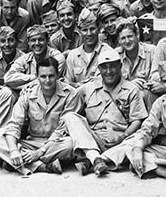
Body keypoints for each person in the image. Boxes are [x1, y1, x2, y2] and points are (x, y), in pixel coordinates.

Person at [62, 47, 148, 176]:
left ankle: (94, 160)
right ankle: (96, 158)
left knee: (136, 141)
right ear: (99, 69)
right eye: (104, 67)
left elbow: (137, 120)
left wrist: (123, 136)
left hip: (120, 139)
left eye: (112, 67)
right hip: (93, 139)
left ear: (120, 66)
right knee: (70, 117)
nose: (108, 72)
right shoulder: (87, 88)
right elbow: (69, 99)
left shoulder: (131, 90)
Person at [0, 57, 78, 175]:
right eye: (43, 76)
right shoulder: (28, 93)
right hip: (31, 143)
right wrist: (14, 150)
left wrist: (39, 153)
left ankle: (19, 163)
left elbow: (63, 129)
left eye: (51, 76)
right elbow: (14, 124)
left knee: (70, 144)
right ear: (37, 76)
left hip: (55, 144)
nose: (47, 80)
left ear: (57, 75)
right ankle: (42, 166)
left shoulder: (70, 94)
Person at [4, 25, 66, 94]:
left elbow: (49, 82)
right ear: (28, 42)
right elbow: (8, 78)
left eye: (40, 39)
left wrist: (25, 86)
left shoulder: (57, 57)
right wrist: (33, 77)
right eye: (33, 40)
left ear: (47, 40)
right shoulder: (25, 59)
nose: (37, 43)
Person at [66, 9, 116, 88]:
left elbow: (101, 82)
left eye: (92, 29)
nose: (89, 34)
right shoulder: (73, 55)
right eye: (85, 30)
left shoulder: (107, 52)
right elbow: (68, 84)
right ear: (79, 31)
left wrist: (77, 85)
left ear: (99, 28)